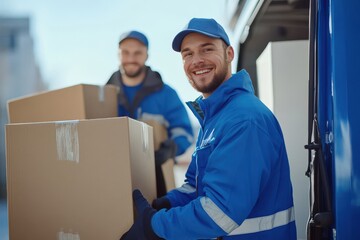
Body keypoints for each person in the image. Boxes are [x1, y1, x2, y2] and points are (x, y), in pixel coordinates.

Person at [120, 18, 297, 240]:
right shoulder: (216, 117)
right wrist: (166, 202)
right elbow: (195, 186)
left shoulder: (243, 120)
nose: (197, 60)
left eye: (207, 49)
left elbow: (219, 212)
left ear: (229, 54)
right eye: (188, 54)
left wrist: (154, 227)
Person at [106, 30, 194, 198]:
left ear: (147, 55)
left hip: (157, 182)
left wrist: (171, 149)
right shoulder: (104, 95)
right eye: (125, 52)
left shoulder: (166, 94)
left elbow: (185, 132)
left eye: (137, 53)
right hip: (114, 181)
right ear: (118, 55)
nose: (131, 58)